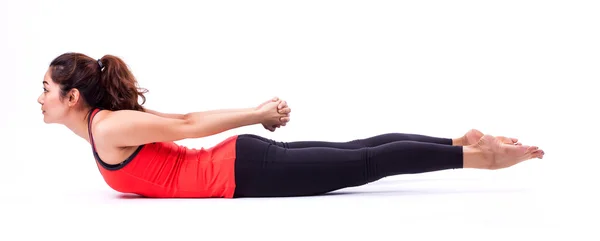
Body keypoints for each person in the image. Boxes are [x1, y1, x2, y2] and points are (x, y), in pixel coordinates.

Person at [38, 52, 544, 198]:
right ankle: (458, 142)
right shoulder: (109, 125)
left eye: (46, 89)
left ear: (73, 96)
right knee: (361, 149)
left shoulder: (106, 128)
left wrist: (257, 112)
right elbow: (177, 122)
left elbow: (188, 123)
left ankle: (482, 158)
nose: (39, 98)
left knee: (366, 161)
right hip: (243, 163)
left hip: (244, 173)